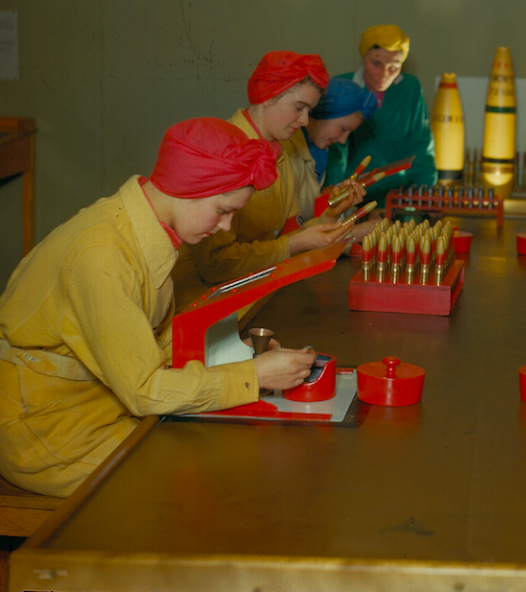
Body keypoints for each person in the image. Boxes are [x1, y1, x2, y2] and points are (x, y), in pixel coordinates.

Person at [0, 118, 319, 497]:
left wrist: (235, 357)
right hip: (49, 431)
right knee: (201, 483)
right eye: (222, 210)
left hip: (96, 406)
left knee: (215, 454)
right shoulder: (102, 256)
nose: (225, 225)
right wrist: (253, 375)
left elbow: (146, 339)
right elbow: (144, 390)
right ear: (190, 189)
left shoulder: (141, 227)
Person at [173, 51, 365, 310]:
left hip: (253, 299)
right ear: (268, 96)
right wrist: (296, 243)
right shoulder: (226, 151)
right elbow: (216, 264)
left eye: (310, 110)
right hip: (204, 308)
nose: (305, 120)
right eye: (299, 108)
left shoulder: (278, 152)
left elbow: (285, 235)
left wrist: (330, 215)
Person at [326, 24, 437, 206]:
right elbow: (334, 150)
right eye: (376, 64)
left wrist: (426, 193)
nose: (384, 74)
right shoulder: (342, 86)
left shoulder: (410, 89)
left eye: (394, 66)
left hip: (397, 197)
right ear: (363, 57)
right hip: (350, 197)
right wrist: (335, 193)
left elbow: (421, 144)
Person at [291, 77, 378, 221]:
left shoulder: (319, 151)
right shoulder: (290, 149)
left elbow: (310, 208)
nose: (342, 140)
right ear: (324, 112)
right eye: (343, 129)